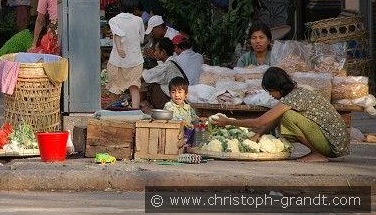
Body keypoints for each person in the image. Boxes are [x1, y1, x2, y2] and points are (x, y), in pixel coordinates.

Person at [214, 67, 349, 162]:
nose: (271, 96)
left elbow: (259, 122)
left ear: (278, 88)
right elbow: (274, 119)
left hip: (333, 143)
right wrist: (258, 134)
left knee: (288, 116)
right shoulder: (296, 94)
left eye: (270, 91)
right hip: (334, 141)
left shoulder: (294, 97)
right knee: (284, 115)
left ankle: (317, 154)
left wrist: (228, 121)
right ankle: (316, 152)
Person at [106, 0, 145, 109]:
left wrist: (119, 47)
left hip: (116, 61)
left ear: (120, 4)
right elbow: (142, 39)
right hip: (135, 60)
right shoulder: (139, 21)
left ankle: (114, 111)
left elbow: (118, 34)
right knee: (134, 87)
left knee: (114, 89)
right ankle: (135, 112)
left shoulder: (114, 20)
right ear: (135, 5)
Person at [141, 38, 186, 110]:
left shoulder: (168, 65)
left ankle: (141, 103)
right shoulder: (172, 61)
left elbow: (145, 76)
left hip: (172, 99)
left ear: (163, 52)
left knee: (151, 84)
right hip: (176, 96)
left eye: (156, 50)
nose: (154, 53)